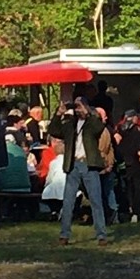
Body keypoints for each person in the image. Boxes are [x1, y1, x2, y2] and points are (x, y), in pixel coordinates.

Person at [49, 97, 112, 246]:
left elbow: (100, 127)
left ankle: (101, 235)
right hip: (73, 164)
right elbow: (53, 130)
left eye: (79, 106)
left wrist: (88, 111)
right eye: (75, 107)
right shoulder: (70, 124)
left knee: (96, 201)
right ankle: (64, 235)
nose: (77, 109)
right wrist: (59, 113)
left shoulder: (91, 123)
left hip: (88, 164)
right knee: (68, 201)